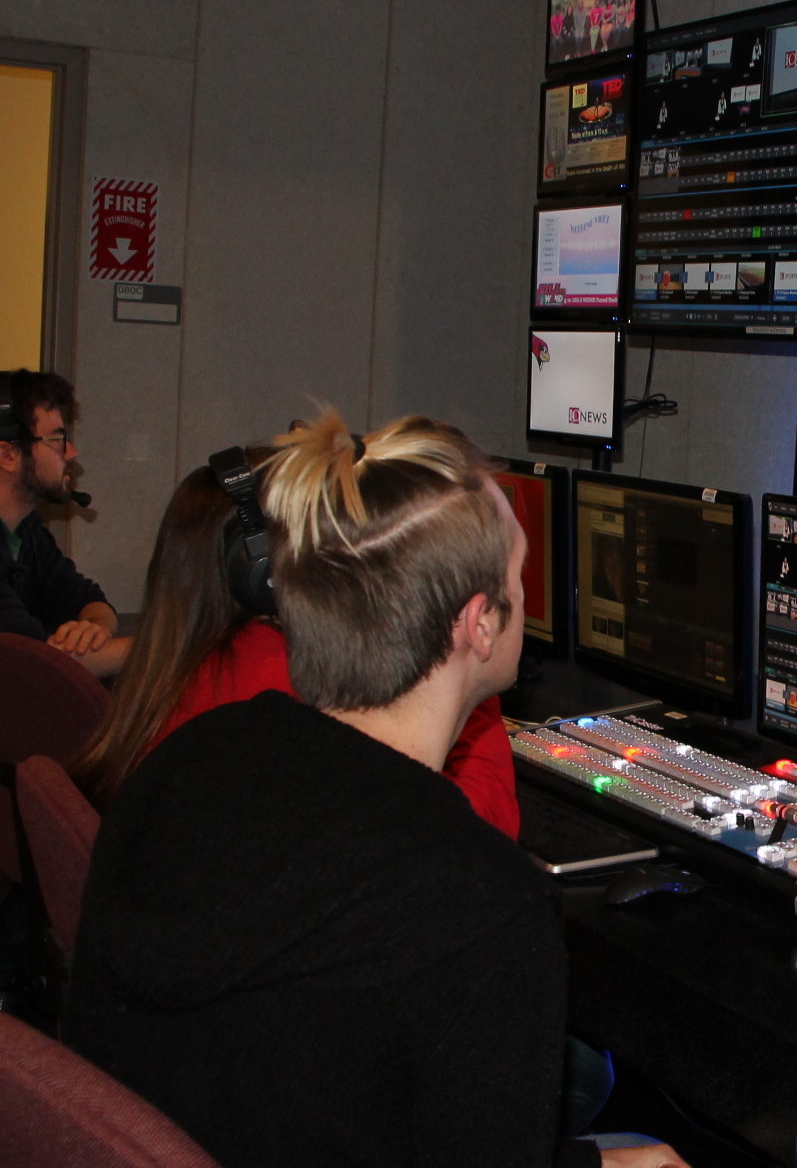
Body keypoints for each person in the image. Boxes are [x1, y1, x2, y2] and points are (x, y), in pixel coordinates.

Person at [65, 412, 685, 1168]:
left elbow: (309, 1078)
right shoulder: (481, 902)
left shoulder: (194, 756)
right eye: (517, 579)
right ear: (478, 625)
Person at [65, 452, 518, 834]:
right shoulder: (285, 688)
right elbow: (460, 838)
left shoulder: (184, 663)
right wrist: (469, 674)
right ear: (263, 576)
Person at [0, 367, 128, 677]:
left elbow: (89, 599)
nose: (71, 452)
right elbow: (33, 660)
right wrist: (171, 651)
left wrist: (94, 629)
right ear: (8, 455)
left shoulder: (28, 531)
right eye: (56, 439)